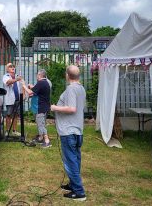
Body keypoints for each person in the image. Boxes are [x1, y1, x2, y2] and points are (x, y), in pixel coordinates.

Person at [50, 65, 86, 201]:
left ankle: (79, 192)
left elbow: (72, 108)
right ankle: (73, 184)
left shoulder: (71, 89)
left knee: (71, 161)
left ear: (67, 75)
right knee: (75, 159)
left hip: (69, 131)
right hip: (77, 130)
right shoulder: (81, 88)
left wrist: (54, 107)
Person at [22, 69, 51, 148]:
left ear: (40, 75)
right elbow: (37, 91)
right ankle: (41, 138)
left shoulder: (41, 83)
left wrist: (24, 85)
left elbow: (30, 92)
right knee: (40, 123)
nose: (36, 76)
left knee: (41, 124)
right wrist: (33, 87)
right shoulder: (45, 83)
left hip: (40, 107)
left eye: (37, 75)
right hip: (42, 107)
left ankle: (47, 141)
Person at [2, 63, 22, 136]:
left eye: (13, 66)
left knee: (16, 115)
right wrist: (16, 79)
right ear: (7, 69)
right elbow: (8, 82)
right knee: (8, 115)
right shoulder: (5, 76)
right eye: (10, 67)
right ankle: (7, 131)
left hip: (17, 99)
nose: (13, 67)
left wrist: (23, 95)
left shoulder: (17, 76)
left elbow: (22, 85)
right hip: (10, 99)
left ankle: (14, 130)